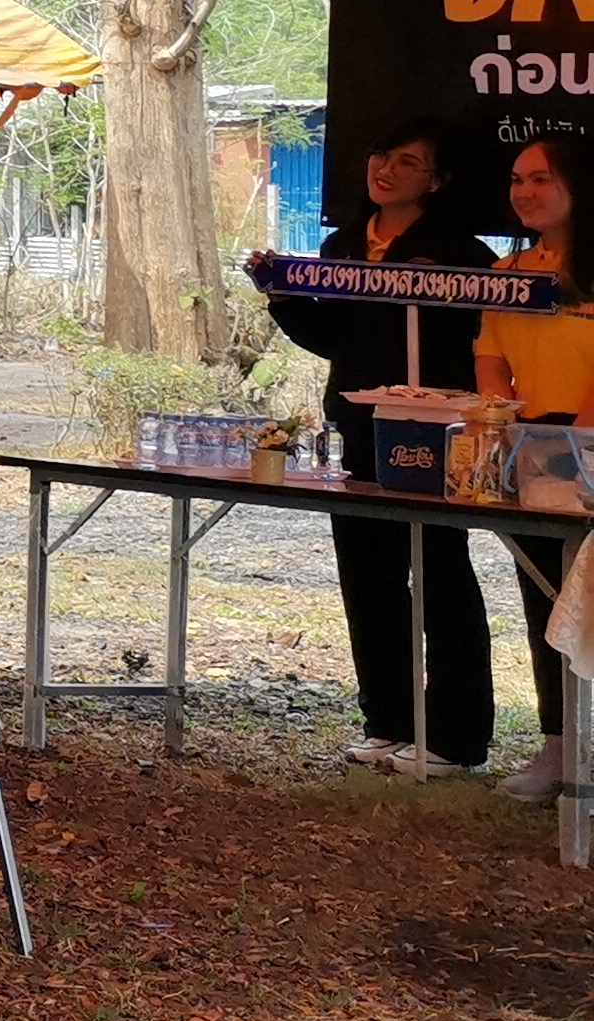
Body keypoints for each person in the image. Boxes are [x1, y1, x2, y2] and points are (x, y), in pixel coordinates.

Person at [247, 118, 497, 777]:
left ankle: (455, 736)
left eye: (408, 162)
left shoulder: (463, 253)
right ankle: (387, 720)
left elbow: (478, 337)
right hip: (359, 426)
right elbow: (336, 337)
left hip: (434, 429)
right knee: (368, 574)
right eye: (381, 155)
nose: (386, 169)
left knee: (440, 572)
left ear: (436, 181)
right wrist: (281, 293)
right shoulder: (344, 243)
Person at [478, 130, 594, 804]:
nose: (524, 192)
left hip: (583, 449)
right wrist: (505, 429)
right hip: (531, 450)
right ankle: (559, 745)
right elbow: (491, 360)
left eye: (541, 178)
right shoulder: (508, 272)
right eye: (517, 180)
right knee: (547, 601)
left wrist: (575, 447)